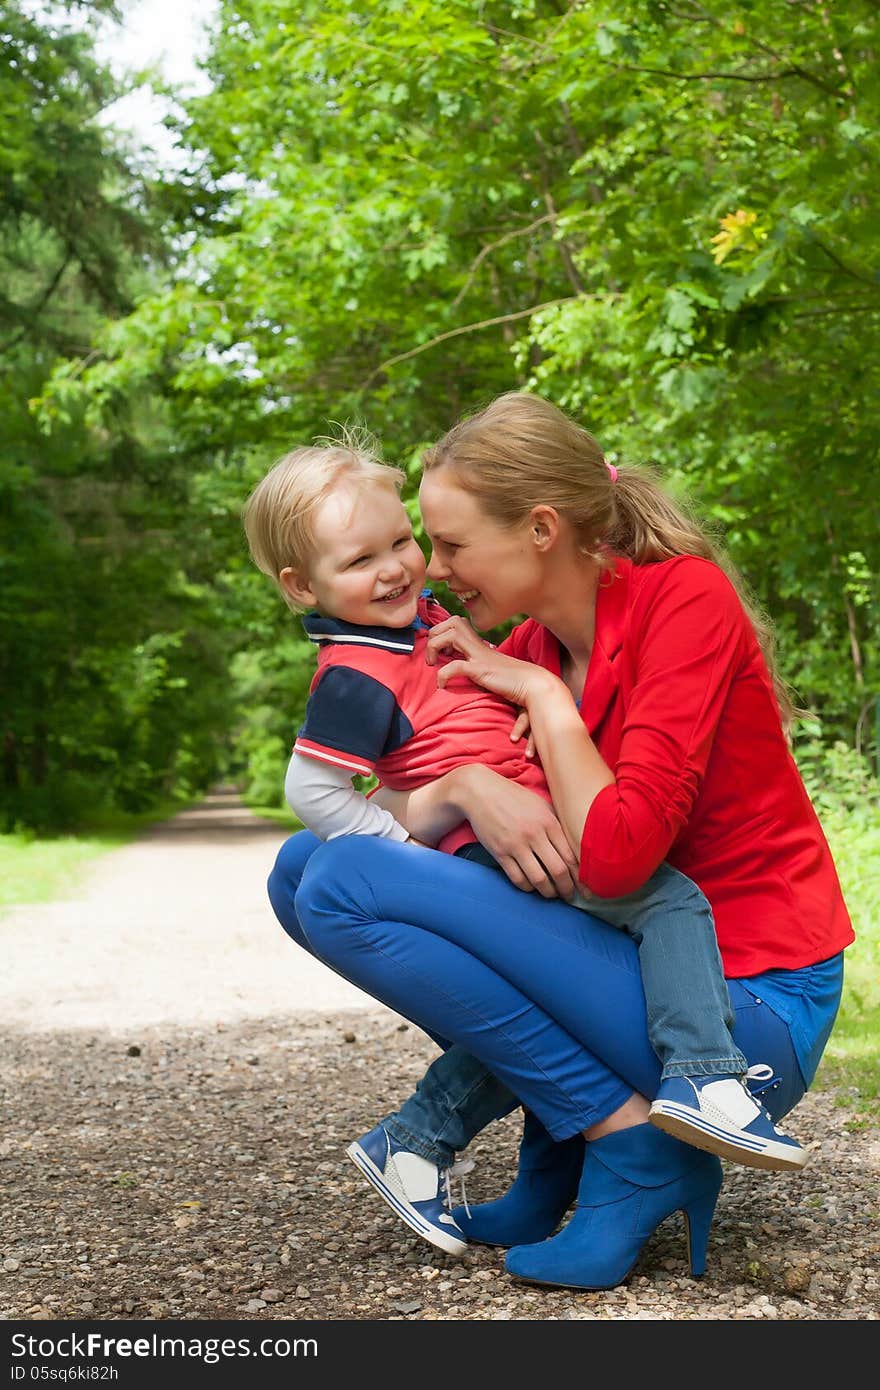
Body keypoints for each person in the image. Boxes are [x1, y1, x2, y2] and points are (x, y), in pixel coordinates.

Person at [262, 394, 854, 1291]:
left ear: (540, 529)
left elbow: (616, 862)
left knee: (343, 877)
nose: (433, 569)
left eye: (448, 545)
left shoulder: (680, 601)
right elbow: (422, 802)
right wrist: (465, 785)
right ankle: (584, 1144)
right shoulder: (531, 640)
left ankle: (636, 1151)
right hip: (627, 961)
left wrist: (544, 698)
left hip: (745, 1004)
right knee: (302, 870)